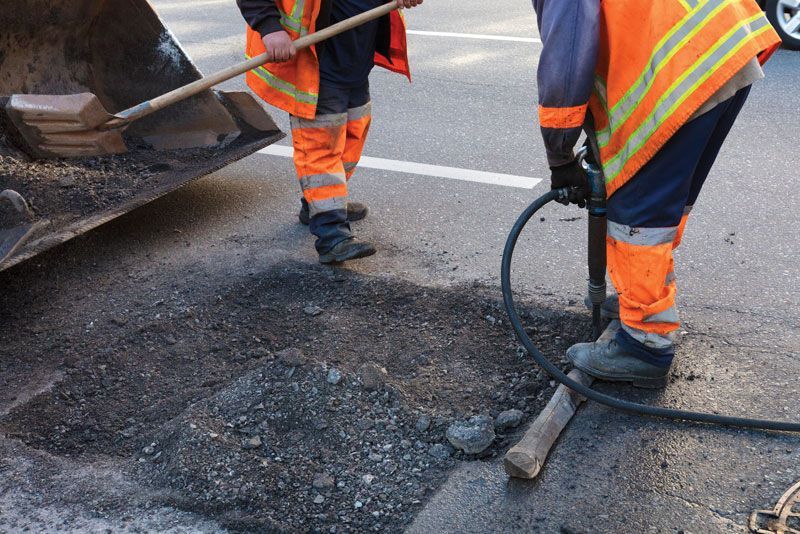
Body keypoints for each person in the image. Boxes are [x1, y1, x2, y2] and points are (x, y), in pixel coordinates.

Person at [531, 0, 781, 388]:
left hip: (680, 67)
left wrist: (559, 156)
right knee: (664, 204)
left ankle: (645, 345)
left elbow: (567, 57)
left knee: (637, 211)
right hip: (721, 45)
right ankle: (642, 304)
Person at [237, 0, 422, 264]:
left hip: (356, 57)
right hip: (317, 64)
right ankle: (332, 236)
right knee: (321, 147)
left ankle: (317, 204)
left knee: (353, 135)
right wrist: (269, 29)